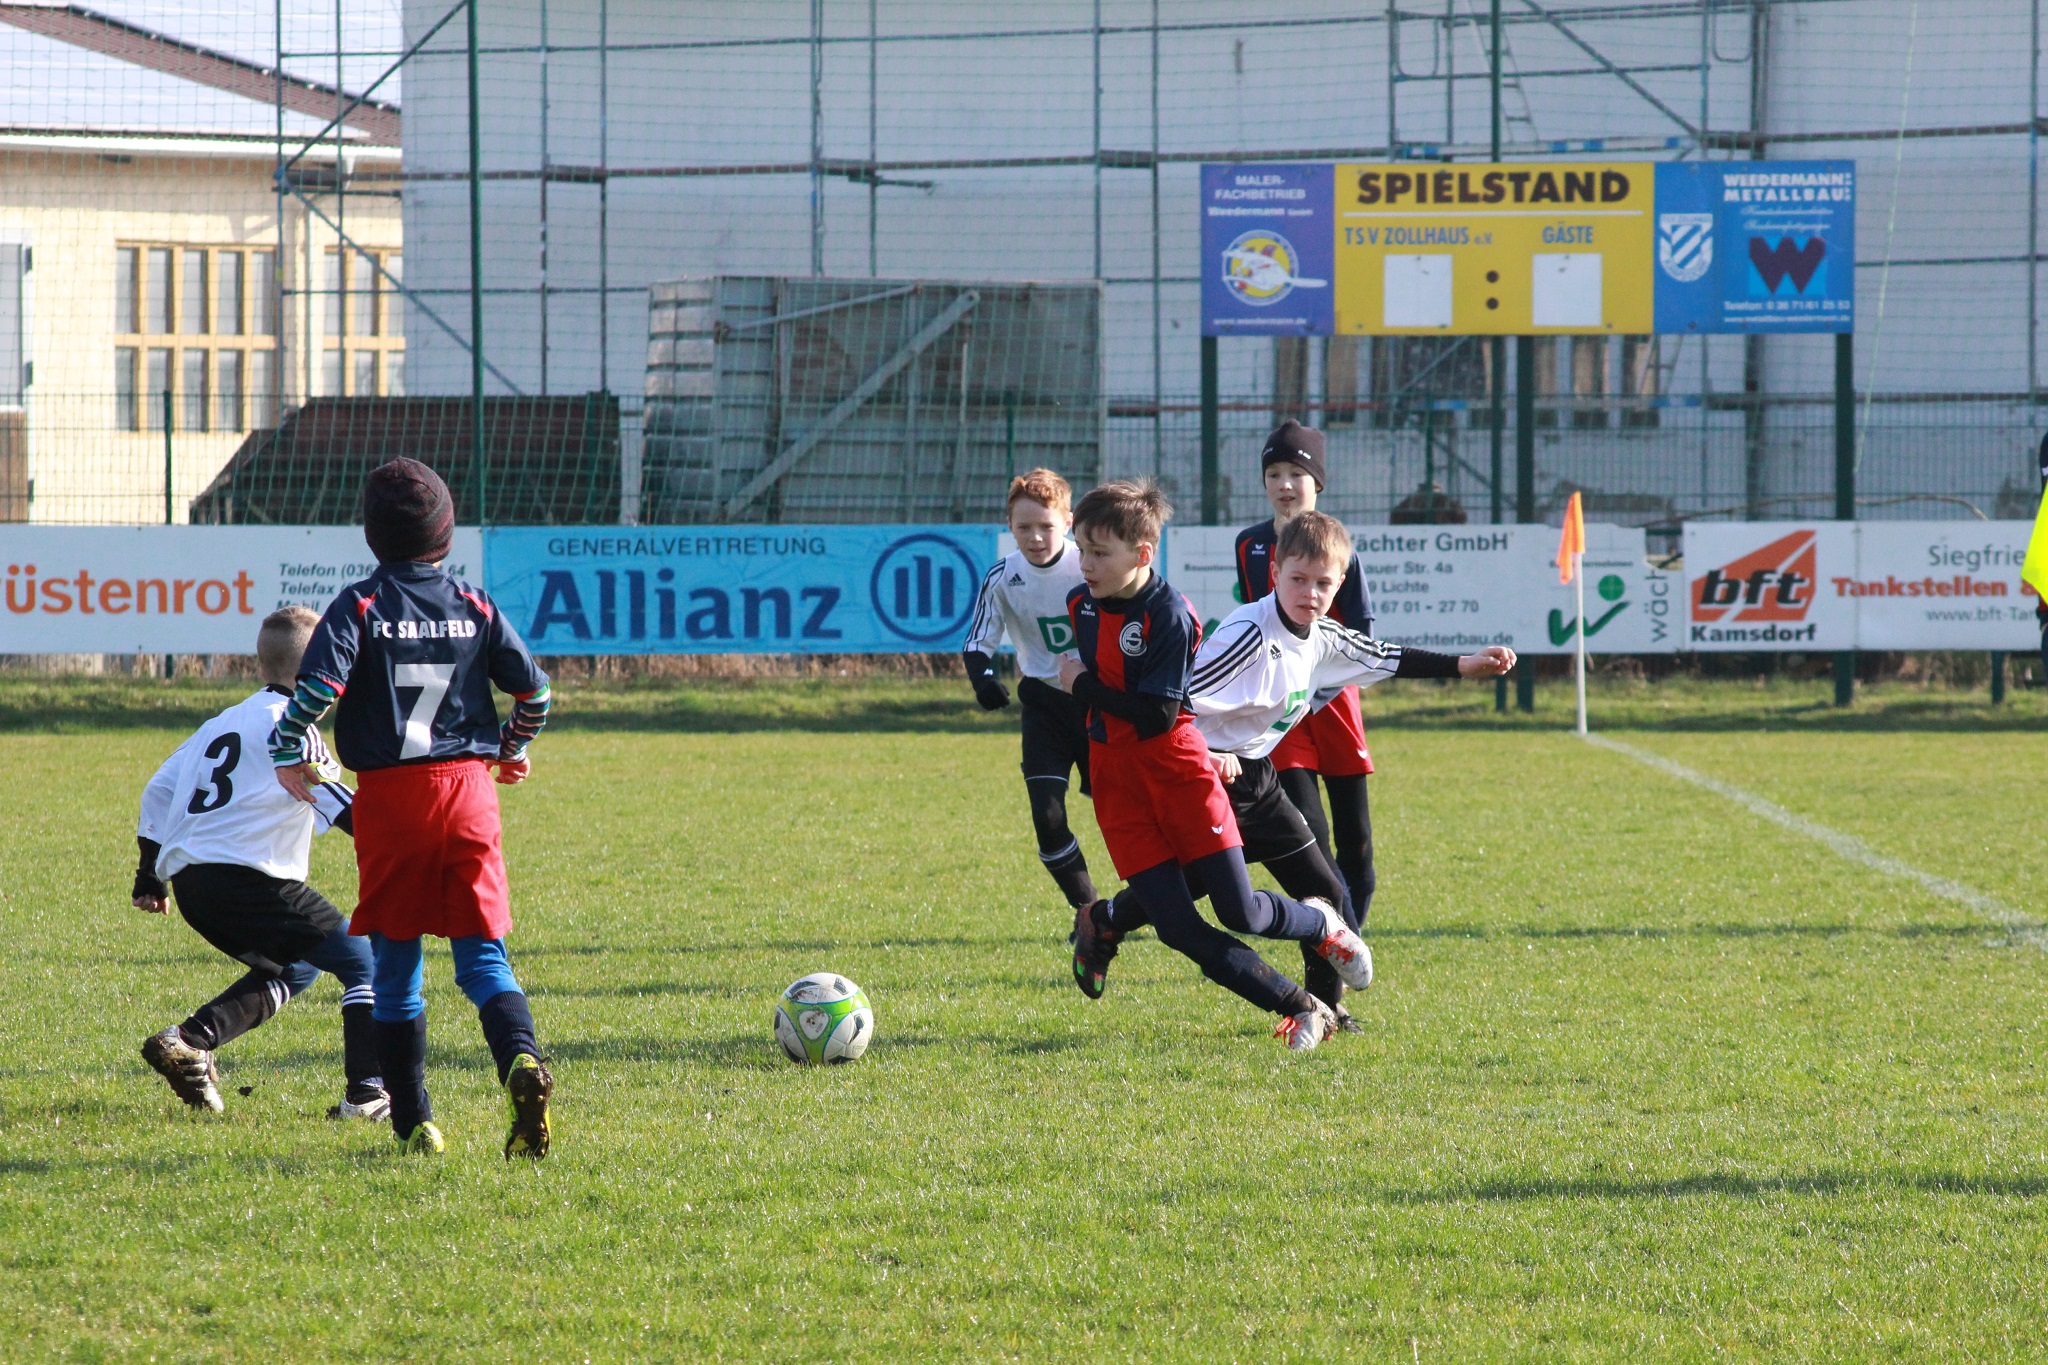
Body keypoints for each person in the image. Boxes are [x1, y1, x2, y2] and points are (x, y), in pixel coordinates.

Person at [270, 458, 555, 1158]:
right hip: (468, 791)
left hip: (394, 801)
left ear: (373, 535)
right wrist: (511, 747)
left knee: (395, 969)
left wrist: (286, 746)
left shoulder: (360, 605)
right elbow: (537, 695)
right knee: (484, 960)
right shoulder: (477, 604)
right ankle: (520, 1060)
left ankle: (416, 1121)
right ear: (445, 532)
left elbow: (316, 691)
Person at [1057, 479, 1365, 1052]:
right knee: (1177, 927)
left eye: (1099, 552)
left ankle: (1321, 923)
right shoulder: (1081, 603)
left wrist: (1083, 686)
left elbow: (1156, 716)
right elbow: (1104, 706)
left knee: (1239, 909)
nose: (1085, 563)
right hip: (1118, 782)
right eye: (1082, 548)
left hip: (1180, 773)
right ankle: (1300, 1006)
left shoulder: (1171, 615)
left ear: (1142, 553)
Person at [1188, 511, 1516, 1023]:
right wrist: (1207, 754)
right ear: (1274, 571)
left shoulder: (1323, 635)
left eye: (1323, 583)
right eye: (1298, 579)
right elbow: (1178, 705)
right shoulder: (1249, 634)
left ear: (1340, 583)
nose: (1309, 592)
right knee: (1184, 893)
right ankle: (1106, 921)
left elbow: (1385, 655)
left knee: (1330, 891)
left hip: (1257, 779)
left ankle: (1327, 1007)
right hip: (1204, 781)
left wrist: (1463, 664)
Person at [133, 605, 388, 1121]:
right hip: (248, 880)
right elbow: (341, 807)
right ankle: (367, 1095)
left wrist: (148, 874)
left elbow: (159, 787)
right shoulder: (295, 726)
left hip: (192, 885)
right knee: (367, 963)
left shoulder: (218, 724)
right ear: (317, 668)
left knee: (298, 966)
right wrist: (413, 846)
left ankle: (190, 1041)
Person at [1235, 421, 1379, 934]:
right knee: (1310, 842)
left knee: (1356, 845)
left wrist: (1323, 688)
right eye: (1274, 472)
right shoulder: (1250, 544)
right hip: (1282, 711)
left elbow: (1362, 634)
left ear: (1318, 481)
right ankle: (1339, 953)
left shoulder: (1343, 549)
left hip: (1334, 707)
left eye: (1297, 471)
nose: (1284, 483)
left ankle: (1346, 943)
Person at [961, 469, 1097, 912]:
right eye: (1024, 527)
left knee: (1125, 817)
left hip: (1100, 705)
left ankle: (1150, 901)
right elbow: (977, 641)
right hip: (1043, 705)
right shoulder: (1003, 576)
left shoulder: (1091, 566)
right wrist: (983, 679)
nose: (1036, 537)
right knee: (1048, 816)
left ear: (1069, 522)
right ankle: (1089, 911)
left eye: (1046, 526)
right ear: (1009, 527)